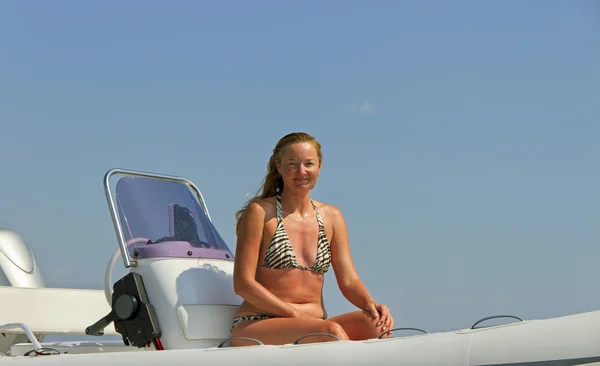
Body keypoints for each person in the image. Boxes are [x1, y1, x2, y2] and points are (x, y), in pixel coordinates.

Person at [230, 132, 394, 346]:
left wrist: (369, 302)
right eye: (292, 164)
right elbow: (243, 284)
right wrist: (295, 314)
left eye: (309, 164)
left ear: (319, 167)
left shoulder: (332, 217)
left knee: (376, 325)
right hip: (259, 322)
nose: (301, 172)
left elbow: (349, 280)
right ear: (278, 168)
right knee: (331, 332)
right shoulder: (260, 212)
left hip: (314, 323)